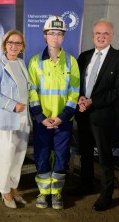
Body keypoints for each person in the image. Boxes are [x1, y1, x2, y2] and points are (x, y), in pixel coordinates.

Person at [68, 19, 119, 212]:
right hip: (83, 115)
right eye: (98, 33)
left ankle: (106, 194)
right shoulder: (84, 56)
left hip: (104, 117)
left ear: (112, 36)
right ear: (93, 35)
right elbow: (77, 82)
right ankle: (86, 184)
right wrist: (79, 98)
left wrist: (92, 101)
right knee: (85, 153)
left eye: (105, 33)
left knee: (104, 157)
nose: (101, 36)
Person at [28, 16, 80, 210]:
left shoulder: (71, 62)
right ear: (45, 35)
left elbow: (74, 92)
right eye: (51, 33)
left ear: (63, 37)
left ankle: (56, 193)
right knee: (41, 156)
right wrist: (41, 118)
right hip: (42, 122)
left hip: (63, 121)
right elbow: (32, 93)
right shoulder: (35, 62)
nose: (55, 37)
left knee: (60, 156)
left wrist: (61, 117)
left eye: (59, 33)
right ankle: (43, 193)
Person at [0, 30, 31, 209]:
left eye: (18, 43)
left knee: (19, 157)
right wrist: (12, 105)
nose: (14, 46)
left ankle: (13, 187)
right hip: (7, 119)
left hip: (23, 119)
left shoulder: (21, 63)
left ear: (22, 47)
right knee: (6, 157)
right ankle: (4, 190)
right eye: (11, 42)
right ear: (5, 45)